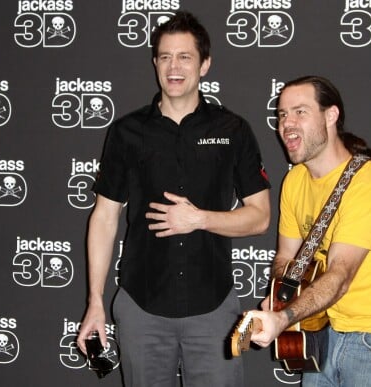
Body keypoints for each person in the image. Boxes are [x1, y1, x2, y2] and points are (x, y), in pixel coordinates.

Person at [76, 11, 271, 387]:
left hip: (214, 310)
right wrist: (95, 302)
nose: (174, 66)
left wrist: (199, 219)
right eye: (165, 57)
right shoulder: (126, 132)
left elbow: (260, 217)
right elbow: (103, 217)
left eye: (185, 57)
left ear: (205, 64)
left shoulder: (233, 129)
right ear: (155, 64)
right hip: (141, 308)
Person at [249, 75, 371, 386]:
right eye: (282, 115)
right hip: (325, 331)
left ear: (331, 116)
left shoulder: (369, 182)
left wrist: (284, 317)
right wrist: (279, 299)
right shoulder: (295, 181)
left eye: (300, 112)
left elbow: (340, 274)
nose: (287, 123)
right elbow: (286, 257)